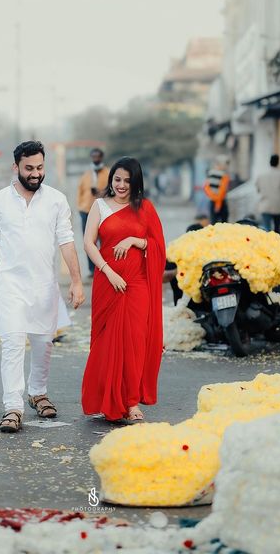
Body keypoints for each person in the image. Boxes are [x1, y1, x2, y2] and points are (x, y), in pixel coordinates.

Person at [0, 141, 85, 433]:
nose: (35, 174)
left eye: (39, 167)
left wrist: (75, 280)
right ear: (16, 167)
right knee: (12, 344)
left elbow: (66, 241)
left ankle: (38, 392)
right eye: (29, 168)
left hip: (44, 287)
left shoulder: (57, 200)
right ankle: (13, 407)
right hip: (10, 286)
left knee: (43, 344)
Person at [82, 156, 165, 423]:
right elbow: (88, 243)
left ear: (135, 182)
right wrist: (108, 271)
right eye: (117, 180)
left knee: (135, 342)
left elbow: (158, 247)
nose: (121, 185)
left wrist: (133, 240)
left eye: (127, 181)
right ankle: (107, 400)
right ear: (111, 180)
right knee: (106, 344)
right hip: (108, 282)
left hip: (137, 284)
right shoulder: (99, 206)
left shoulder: (145, 208)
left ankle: (130, 403)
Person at [77, 148, 109, 276]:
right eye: (93, 156)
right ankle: (92, 270)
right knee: (89, 241)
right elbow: (80, 192)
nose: (96, 159)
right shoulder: (86, 174)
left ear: (101, 157)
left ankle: (105, 267)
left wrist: (101, 193)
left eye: (98, 156)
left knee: (105, 240)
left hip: (103, 210)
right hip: (86, 210)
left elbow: (113, 189)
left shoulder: (108, 173)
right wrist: (80, 207)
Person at [256, 154, 280, 234]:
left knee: (267, 229)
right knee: (277, 229)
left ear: (269, 162)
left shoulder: (261, 175)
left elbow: (258, 189)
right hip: (277, 205)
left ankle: (268, 245)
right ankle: (278, 245)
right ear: (278, 163)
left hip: (265, 205)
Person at [204, 155, 230, 223]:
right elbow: (222, 190)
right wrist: (218, 204)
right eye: (226, 164)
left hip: (213, 201)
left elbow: (206, 188)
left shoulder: (210, 173)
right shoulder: (223, 175)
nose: (227, 166)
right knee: (224, 223)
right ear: (221, 164)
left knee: (214, 223)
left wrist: (213, 198)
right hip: (219, 202)